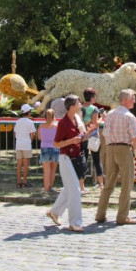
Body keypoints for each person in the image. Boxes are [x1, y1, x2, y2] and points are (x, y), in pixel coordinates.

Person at [95, 89, 136, 226]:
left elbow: (105, 133)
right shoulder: (129, 116)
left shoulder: (110, 114)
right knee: (127, 184)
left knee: (109, 183)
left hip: (110, 148)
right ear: (126, 100)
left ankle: (100, 214)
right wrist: (133, 150)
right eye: (133, 98)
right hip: (124, 148)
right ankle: (122, 216)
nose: (135, 100)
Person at [46, 95, 86, 232]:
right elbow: (56, 143)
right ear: (71, 106)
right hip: (65, 157)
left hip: (75, 156)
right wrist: (71, 141)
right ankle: (75, 222)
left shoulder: (76, 119)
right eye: (78, 102)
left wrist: (92, 129)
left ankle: (54, 212)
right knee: (75, 189)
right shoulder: (63, 123)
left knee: (69, 188)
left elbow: (80, 137)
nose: (80, 104)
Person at [37, 109, 59, 195]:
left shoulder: (41, 126)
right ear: (53, 116)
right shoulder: (56, 126)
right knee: (53, 170)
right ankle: (50, 187)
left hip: (44, 148)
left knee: (46, 171)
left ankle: (46, 189)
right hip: (55, 148)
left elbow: (39, 137)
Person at [14, 103, 36, 188]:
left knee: (19, 164)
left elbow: (15, 133)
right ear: (29, 112)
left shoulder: (18, 121)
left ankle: (18, 181)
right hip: (26, 145)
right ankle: (24, 181)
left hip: (18, 144)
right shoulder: (30, 122)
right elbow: (32, 134)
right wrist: (30, 141)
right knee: (26, 164)